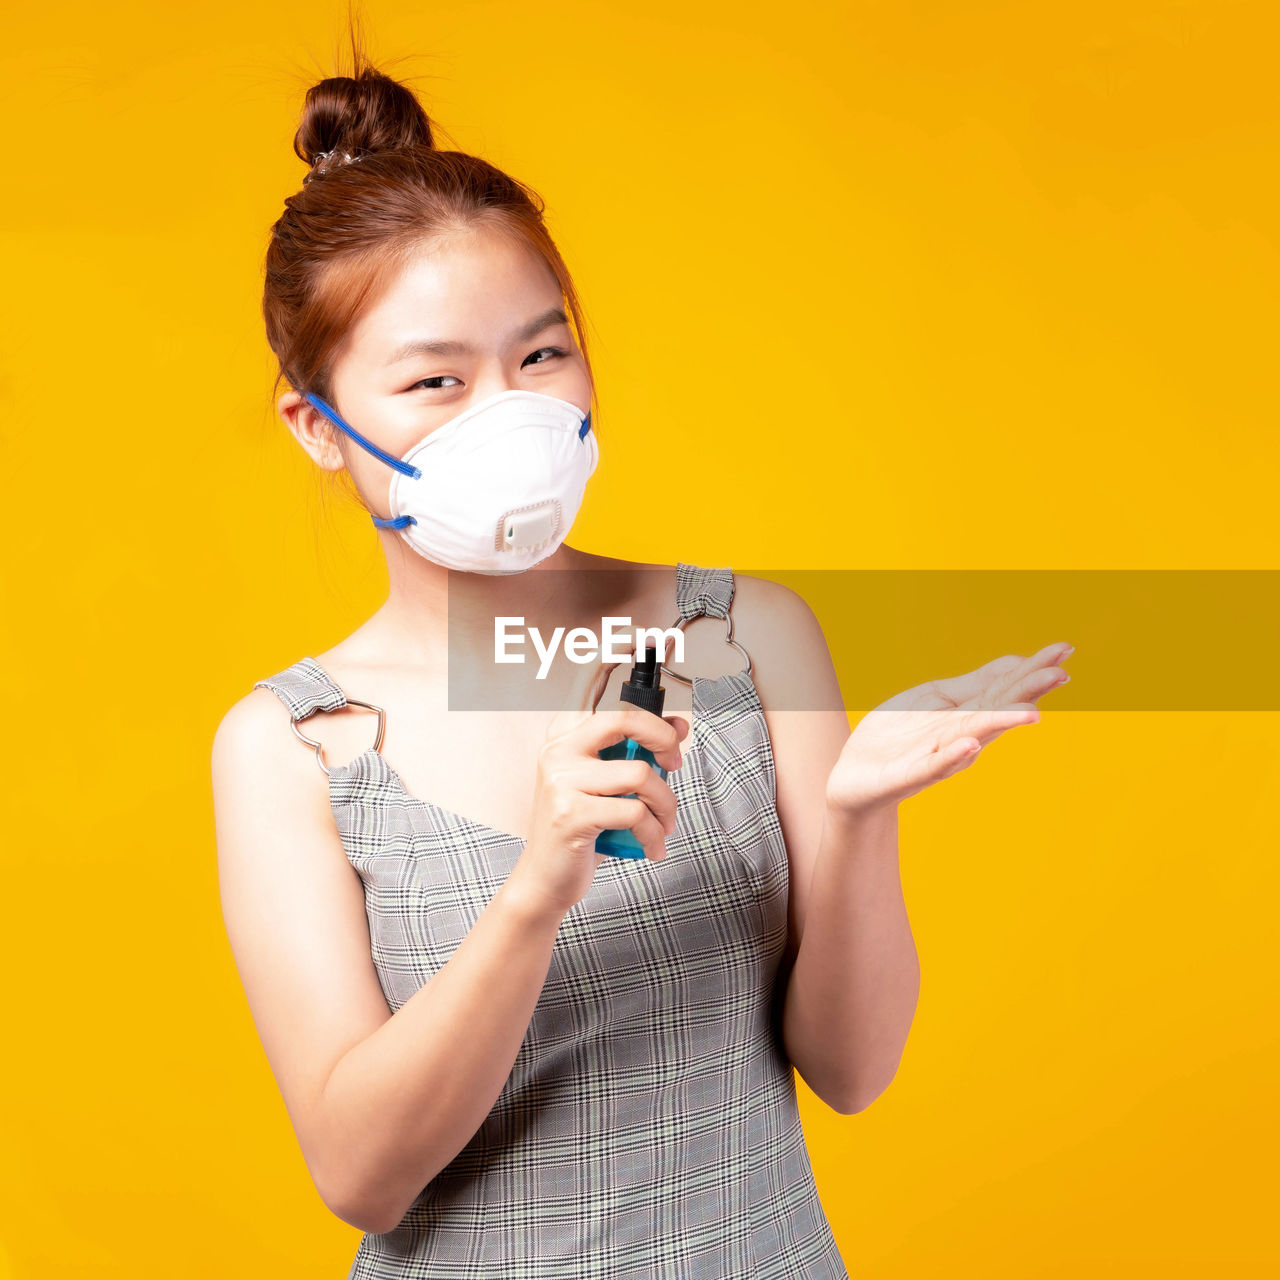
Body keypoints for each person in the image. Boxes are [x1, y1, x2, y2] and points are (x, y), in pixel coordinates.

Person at [212, 35, 1073, 1280]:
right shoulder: (297, 743)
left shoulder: (745, 633)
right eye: (435, 380)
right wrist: (536, 887)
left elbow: (851, 1068)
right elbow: (359, 1170)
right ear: (316, 421)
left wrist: (859, 819)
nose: (506, 415)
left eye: (539, 354)